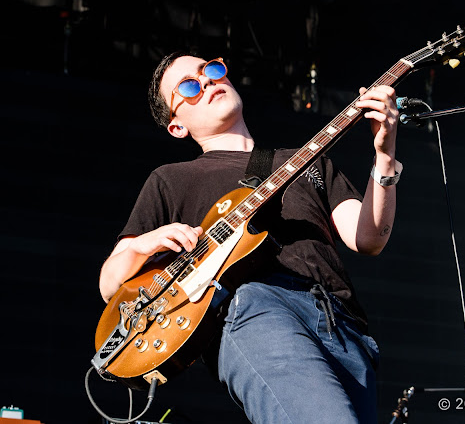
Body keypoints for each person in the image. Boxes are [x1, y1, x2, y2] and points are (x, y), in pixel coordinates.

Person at [98, 50, 401, 423]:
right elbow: (111, 284)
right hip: (254, 309)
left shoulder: (309, 161)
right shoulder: (171, 179)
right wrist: (146, 242)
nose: (207, 82)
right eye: (189, 86)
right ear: (177, 127)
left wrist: (385, 157)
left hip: (343, 326)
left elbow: (368, 238)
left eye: (210, 69)